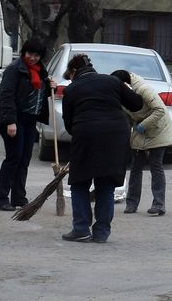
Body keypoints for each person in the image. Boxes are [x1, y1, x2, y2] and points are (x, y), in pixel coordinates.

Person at [60, 54, 144, 243]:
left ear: (74, 72)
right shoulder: (112, 82)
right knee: (106, 183)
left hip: (86, 133)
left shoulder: (72, 89)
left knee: (80, 183)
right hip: (116, 134)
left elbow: (68, 124)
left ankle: (81, 229)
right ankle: (101, 232)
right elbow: (137, 104)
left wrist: (83, 131)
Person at [0, 39, 51, 211]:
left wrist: (48, 86)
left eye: (37, 55)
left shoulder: (40, 70)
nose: (33, 58)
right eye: (30, 54)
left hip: (29, 120)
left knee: (24, 158)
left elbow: (37, 91)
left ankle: (18, 197)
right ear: (24, 52)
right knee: (14, 157)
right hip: (11, 119)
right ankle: (1, 199)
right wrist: (10, 122)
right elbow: (6, 95)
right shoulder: (15, 69)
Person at [115, 69, 172, 217]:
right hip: (140, 131)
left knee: (156, 167)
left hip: (158, 130)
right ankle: (131, 204)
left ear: (125, 83)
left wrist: (144, 125)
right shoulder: (123, 94)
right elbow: (129, 115)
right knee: (136, 167)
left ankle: (159, 205)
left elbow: (160, 110)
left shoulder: (144, 89)